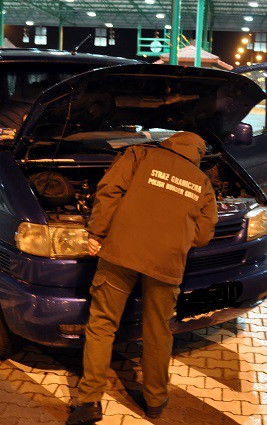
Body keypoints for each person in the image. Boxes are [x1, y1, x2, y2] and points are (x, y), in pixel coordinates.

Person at [67, 131, 219, 425]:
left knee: (102, 324)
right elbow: (202, 236)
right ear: (198, 154)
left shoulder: (139, 155)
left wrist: (97, 232)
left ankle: (89, 403)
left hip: (121, 252)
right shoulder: (202, 183)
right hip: (167, 263)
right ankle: (155, 402)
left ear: (171, 141)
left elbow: (109, 191)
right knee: (158, 331)